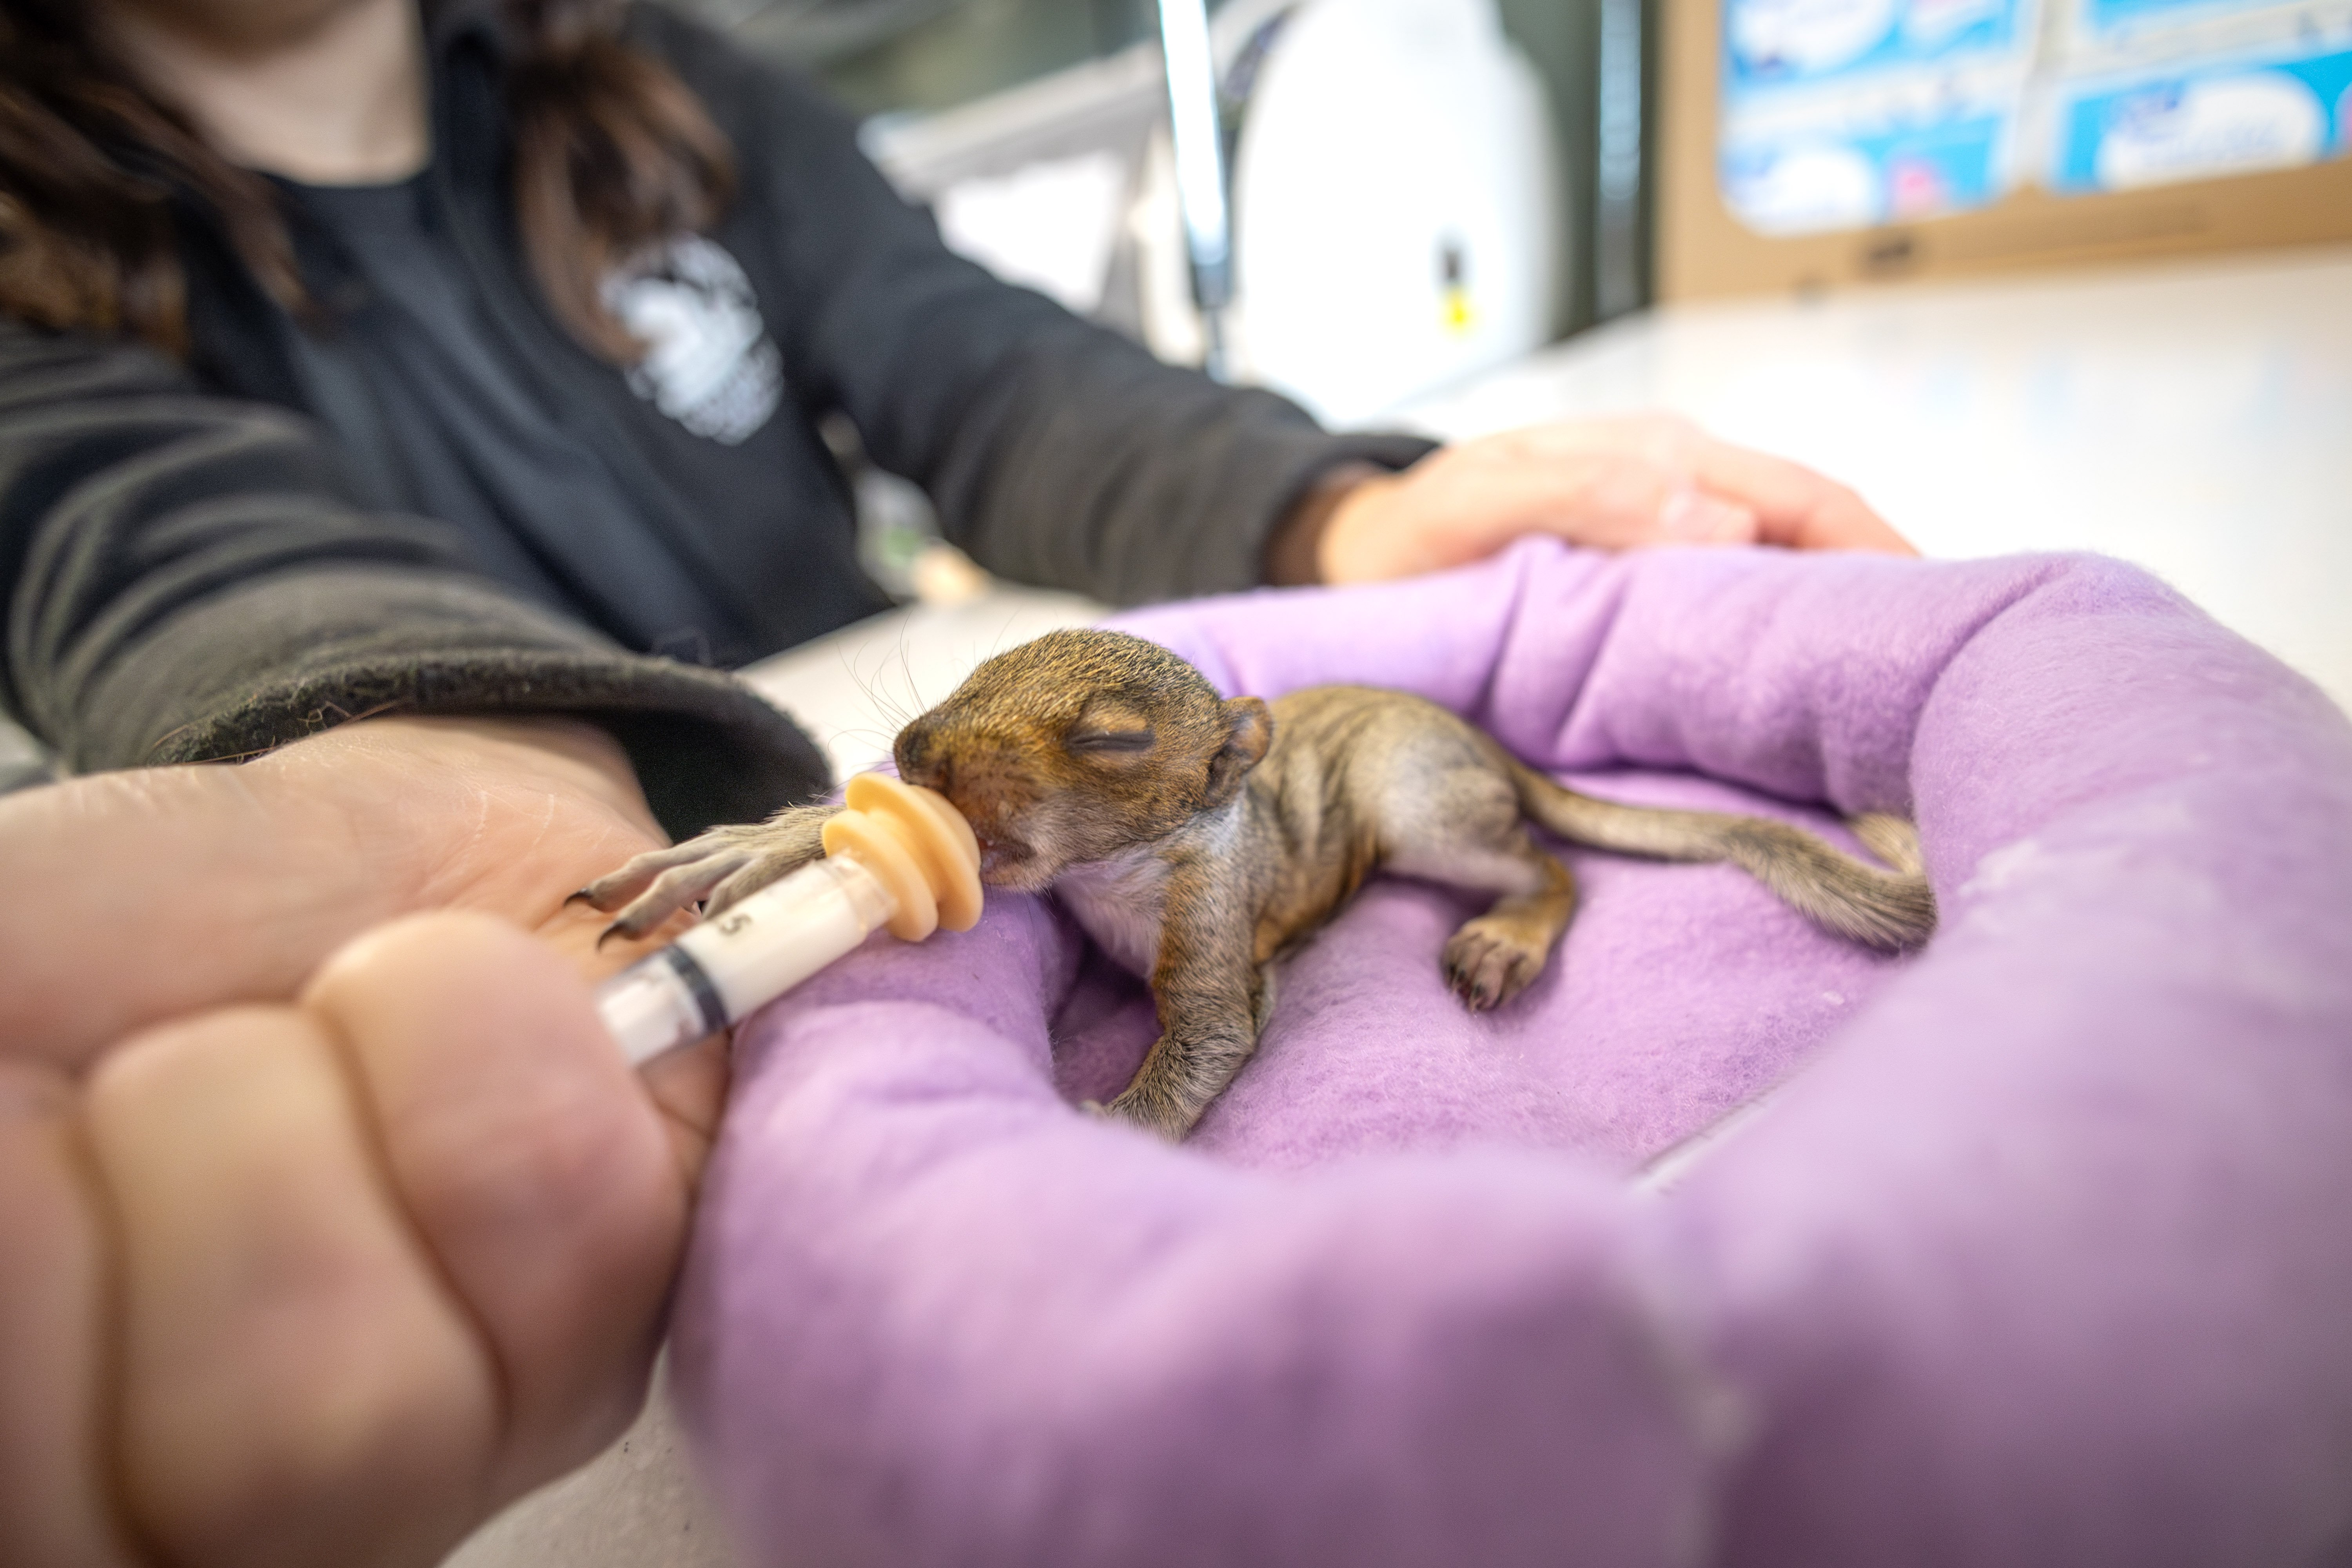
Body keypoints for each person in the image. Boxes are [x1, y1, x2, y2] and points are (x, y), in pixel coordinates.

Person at [0, 0, 1913, 1562]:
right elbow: (139, 526)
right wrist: (413, 727)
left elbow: (977, 367)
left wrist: (1326, 505)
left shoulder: (672, 82)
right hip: (648, 825)